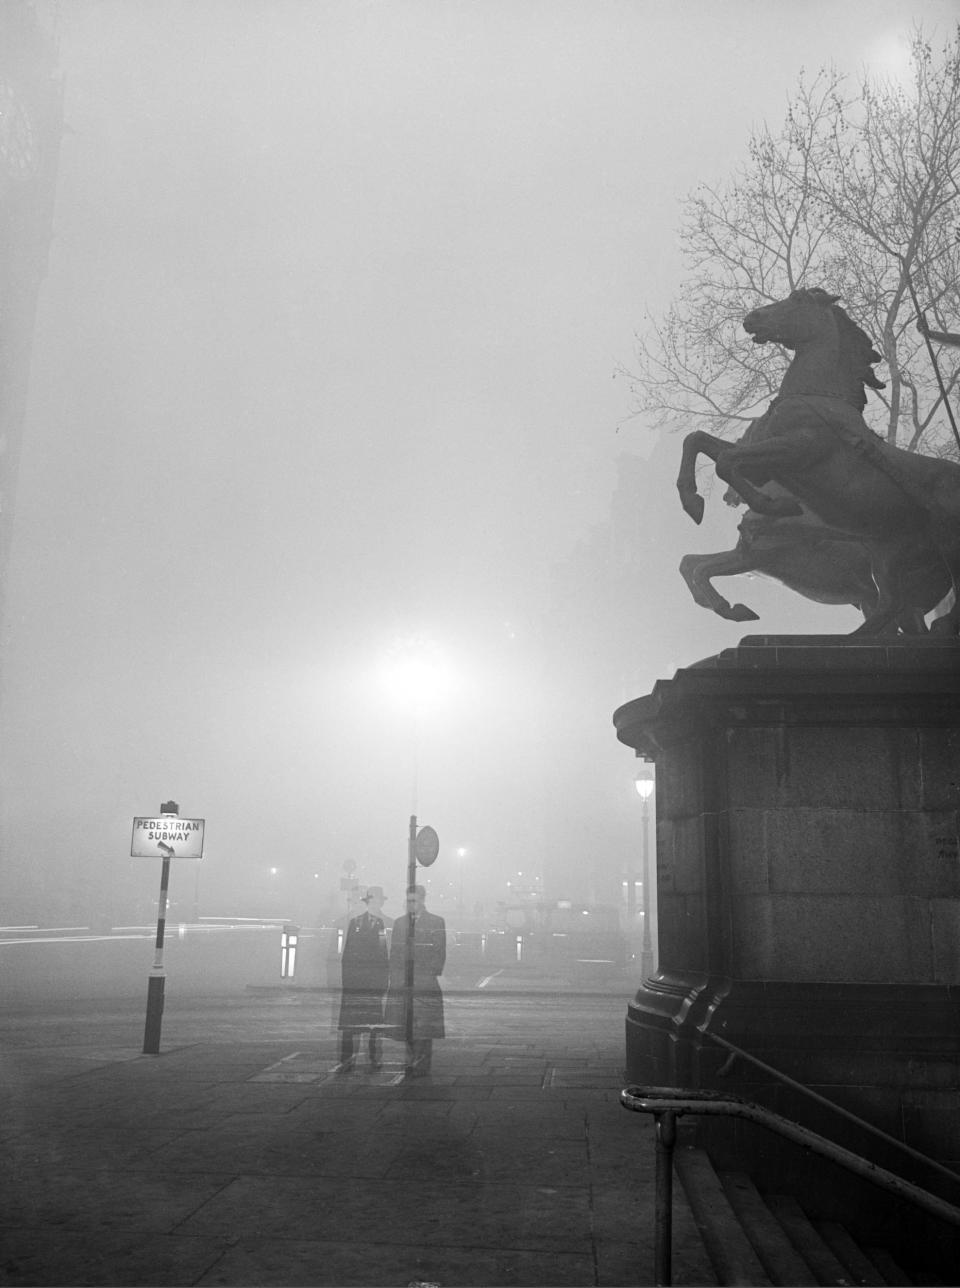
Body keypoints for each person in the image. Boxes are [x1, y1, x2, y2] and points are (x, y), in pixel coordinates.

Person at [385, 883, 446, 1078]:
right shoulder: (400, 923)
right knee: (408, 1025)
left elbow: (439, 951)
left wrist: (429, 973)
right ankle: (411, 1062)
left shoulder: (436, 922)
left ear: (422, 900)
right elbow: (395, 952)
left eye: (414, 900)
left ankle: (422, 1064)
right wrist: (395, 977)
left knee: (425, 1027)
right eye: (408, 900)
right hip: (406, 981)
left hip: (424, 980)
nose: (410, 904)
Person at [336, 885, 389, 1072]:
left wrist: (382, 982)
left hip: (368, 982)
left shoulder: (380, 924)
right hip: (359, 981)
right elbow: (348, 954)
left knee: (370, 1025)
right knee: (355, 1025)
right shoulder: (356, 923)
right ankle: (350, 1059)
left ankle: (370, 1058)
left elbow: (382, 955)